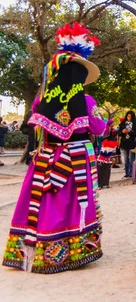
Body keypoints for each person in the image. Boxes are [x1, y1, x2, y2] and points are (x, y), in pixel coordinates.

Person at [2, 22, 106, 273]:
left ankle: (36, 247)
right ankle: (72, 251)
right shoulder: (87, 100)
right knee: (71, 202)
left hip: (46, 156)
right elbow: (98, 129)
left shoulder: (41, 99)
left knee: (43, 198)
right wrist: (103, 121)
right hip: (75, 159)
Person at [118, 111, 136, 178]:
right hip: (124, 143)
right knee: (125, 159)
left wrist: (129, 132)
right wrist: (122, 132)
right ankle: (127, 173)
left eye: (130, 116)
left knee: (131, 159)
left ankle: (131, 173)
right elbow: (119, 133)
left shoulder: (135, 123)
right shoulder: (123, 123)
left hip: (132, 143)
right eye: (127, 116)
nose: (128, 118)